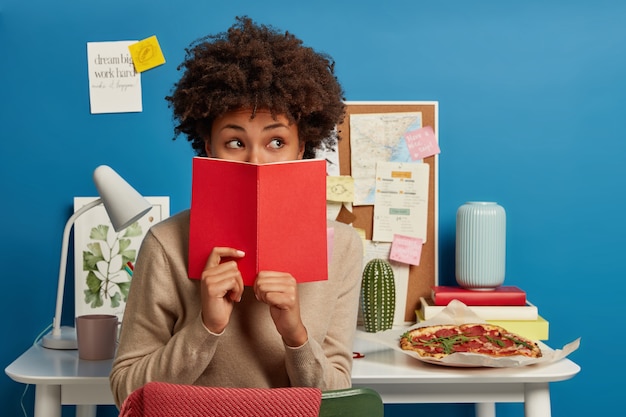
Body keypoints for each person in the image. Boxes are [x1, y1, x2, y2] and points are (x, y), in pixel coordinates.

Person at [109, 16, 363, 408]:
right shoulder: (166, 243)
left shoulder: (343, 246)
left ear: (302, 148)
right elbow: (126, 392)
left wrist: (295, 333)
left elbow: (338, 396)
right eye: (234, 142)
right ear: (208, 147)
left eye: (276, 141)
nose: (255, 161)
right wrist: (205, 328)